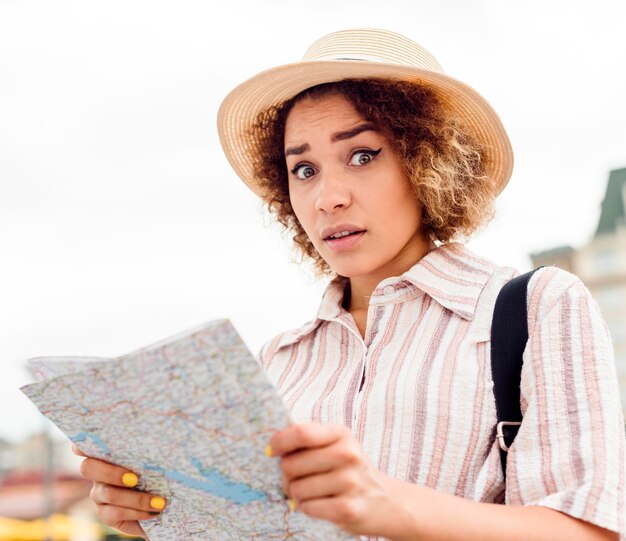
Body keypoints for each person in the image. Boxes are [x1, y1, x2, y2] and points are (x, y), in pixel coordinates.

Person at [75, 29, 626, 540]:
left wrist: (388, 503)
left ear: (426, 161)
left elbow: (590, 530)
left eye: (362, 155)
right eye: (304, 170)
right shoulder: (278, 360)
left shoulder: (536, 307)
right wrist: (168, 514)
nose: (327, 196)